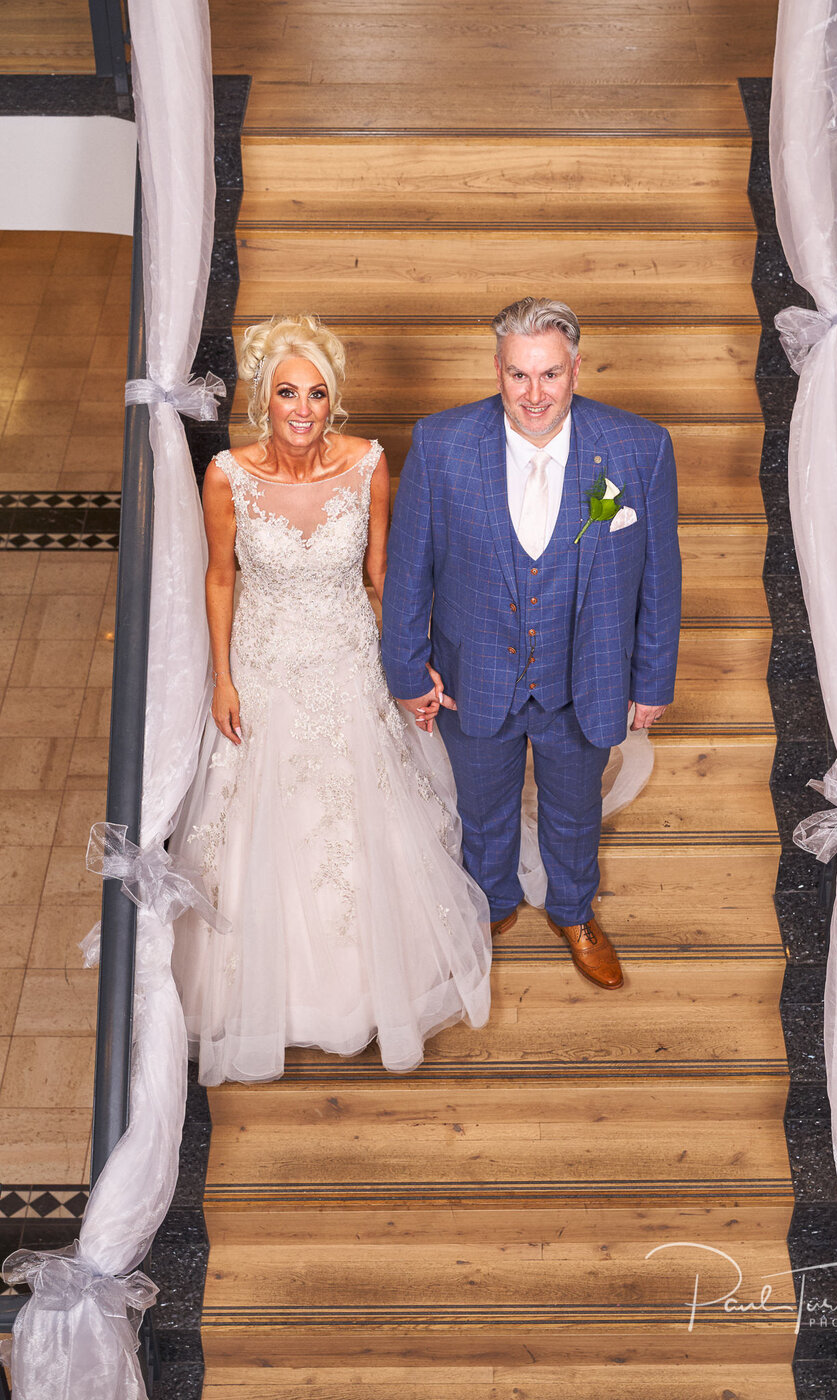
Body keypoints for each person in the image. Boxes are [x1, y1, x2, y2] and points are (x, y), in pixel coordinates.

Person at [171, 314, 491, 1084]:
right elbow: (222, 577)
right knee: (259, 826)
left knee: (363, 818)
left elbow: (382, 576)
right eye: (288, 393)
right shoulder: (227, 477)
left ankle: (372, 986)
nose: (304, 409)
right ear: (262, 398)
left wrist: (408, 667)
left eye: (317, 393)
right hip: (267, 665)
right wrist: (222, 677)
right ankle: (262, 1001)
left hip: (350, 661)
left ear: (333, 399)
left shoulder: (370, 464)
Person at [381, 297, 681, 991]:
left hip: (586, 678)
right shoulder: (441, 443)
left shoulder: (639, 447)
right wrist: (404, 667)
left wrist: (652, 680)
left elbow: (661, 574)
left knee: (575, 807)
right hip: (473, 671)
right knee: (480, 805)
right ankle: (487, 906)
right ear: (498, 371)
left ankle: (574, 911)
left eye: (549, 375)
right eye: (519, 376)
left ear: (575, 368)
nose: (534, 394)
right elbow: (409, 568)